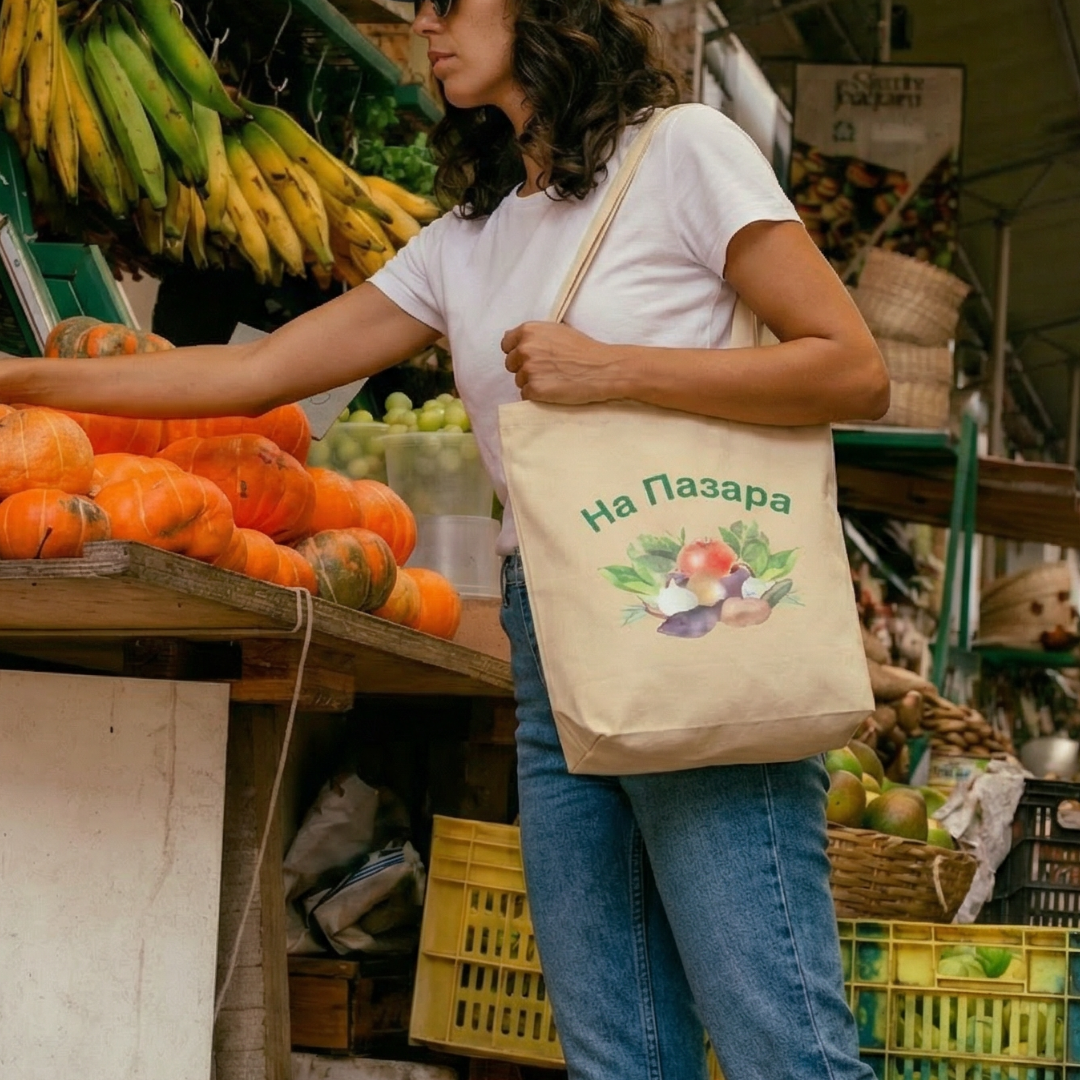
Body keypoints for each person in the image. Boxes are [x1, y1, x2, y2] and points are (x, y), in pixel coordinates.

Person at [1, 0, 889, 1075]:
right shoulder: (469, 239)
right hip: (547, 627)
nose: (424, 23)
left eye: (449, 1)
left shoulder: (685, 153)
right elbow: (250, 374)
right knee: (614, 1049)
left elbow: (852, 368)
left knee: (776, 1039)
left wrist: (610, 369)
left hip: (689, 607)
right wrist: (18, 376)